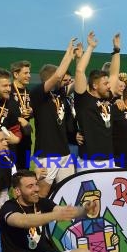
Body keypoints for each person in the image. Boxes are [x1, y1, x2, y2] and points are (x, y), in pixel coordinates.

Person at [30, 38, 78, 197]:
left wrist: (79, 58)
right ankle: (38, 221)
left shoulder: (61, 93)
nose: (64, 78)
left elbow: (78, 81)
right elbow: (58, 76)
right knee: (42, 193)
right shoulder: (38, 94)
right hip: (47, 153)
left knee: (69, 190)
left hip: (64, 152)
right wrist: (68, 55)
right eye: (61, 75)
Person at [73, 32, 116, 171]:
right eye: (105, 83)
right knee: (90, 193)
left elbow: (115, 74)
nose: (109, 86)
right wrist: (91, 47)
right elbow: (80, 70)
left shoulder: (107, 97)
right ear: (95, 86)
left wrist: (116, 50)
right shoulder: (84, 99)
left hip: (109, 159)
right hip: (89, 160)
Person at [10, 60, 33, 170]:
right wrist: (18, 118)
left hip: (26, 138)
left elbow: (33, 112)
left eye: (29, 73)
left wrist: (32, 112)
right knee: (11, 173)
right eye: (25, 73)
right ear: (15, 74)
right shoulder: (8, 91)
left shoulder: (29, 92)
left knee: (25, 171)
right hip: (12, 138)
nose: (29, 76)